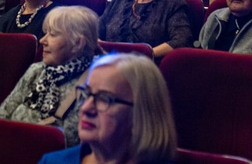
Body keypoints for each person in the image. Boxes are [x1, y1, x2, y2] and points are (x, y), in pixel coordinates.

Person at [37, 53, 178, 164]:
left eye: (105, 99)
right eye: (86, 93)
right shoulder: (53, 161)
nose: (86, 108)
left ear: (142, 113)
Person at [0, 6, 102, 146]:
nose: (42, 41)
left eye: (52, 35)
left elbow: (72, 143)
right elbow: (1, 117)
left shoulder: (95, 82)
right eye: (45, 33)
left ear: (78, 43)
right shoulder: (37, 70)